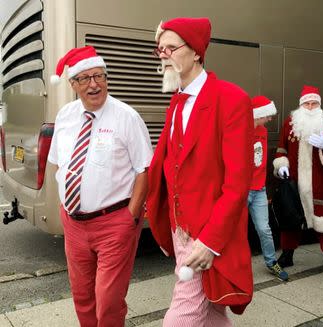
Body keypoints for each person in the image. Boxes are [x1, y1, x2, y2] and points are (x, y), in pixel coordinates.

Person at [146, 17, 254, 326]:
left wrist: (210, 242)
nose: (163, 54)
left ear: (195, 52)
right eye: (159, 49)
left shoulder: (231, 99)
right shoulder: (176, 103)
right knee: (211, 313)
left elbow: (237, 184)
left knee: (179, 319)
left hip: (207, 235)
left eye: (170, 47)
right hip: (181, 230)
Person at [47, 46, 153, 327]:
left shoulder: (126, 117)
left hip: (114, 223)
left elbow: (144, 170)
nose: (94, 84)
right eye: (84, 78)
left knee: (108, 300)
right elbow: (60, 164)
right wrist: (67, 206)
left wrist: (130, 217)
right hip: (74, 224)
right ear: (73, 84)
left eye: (99, 76)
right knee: (82, 296)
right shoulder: (65, 116)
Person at [273, 85, 323, 273]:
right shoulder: (290, 122)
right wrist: (281, 166)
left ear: (319, 105)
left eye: (314, 104)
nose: (311, 107)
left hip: (320, 183)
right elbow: (281, 149)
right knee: (291, 219)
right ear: (301, 105)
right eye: (307, 104)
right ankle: (287, 255)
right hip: (294, 182)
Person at [248, 95, 288, 281]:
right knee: (235, 231)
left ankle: (272, 262)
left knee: (264, 229)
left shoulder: (262, 131)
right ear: (258, 114)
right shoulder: (240, 129)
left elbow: (262, 161)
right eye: (268, 115)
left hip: (259, 189)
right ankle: (232, 266)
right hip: (241, 190)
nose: (270, 119)